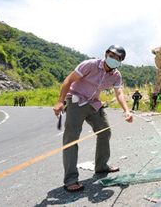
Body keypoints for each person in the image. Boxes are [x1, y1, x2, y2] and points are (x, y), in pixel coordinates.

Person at [53, 44, 133, 192]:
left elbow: (119, 93)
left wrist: (126, 110)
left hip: (94, 103)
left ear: (121, 61)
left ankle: (101, 166)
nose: (114, 59)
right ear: (106, 54)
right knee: (72, 138)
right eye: (112, 55)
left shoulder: (116, 75)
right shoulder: (90, 65)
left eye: (118, 58)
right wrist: (60, 101)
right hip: (76, 100)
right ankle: (71, 179)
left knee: (105, 132)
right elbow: (68, 80)